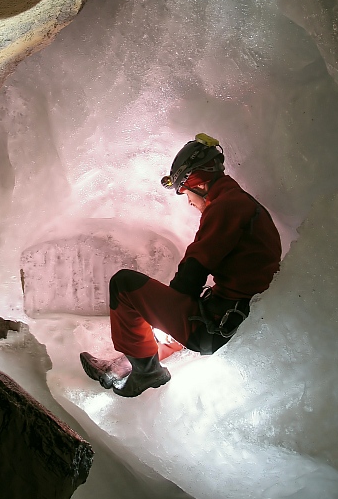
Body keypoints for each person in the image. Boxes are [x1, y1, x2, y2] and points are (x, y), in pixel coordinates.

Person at [80, 133, 282, 398]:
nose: (188, 201)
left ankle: (147, 371)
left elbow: (195, 266)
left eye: (186, 192)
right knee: (172, 317)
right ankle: (123, 365)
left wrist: (164, 308)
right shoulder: (245, 206)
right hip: (231, 316)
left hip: (215, 326)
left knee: (124, 284)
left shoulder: (227, 207)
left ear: (198, 183)